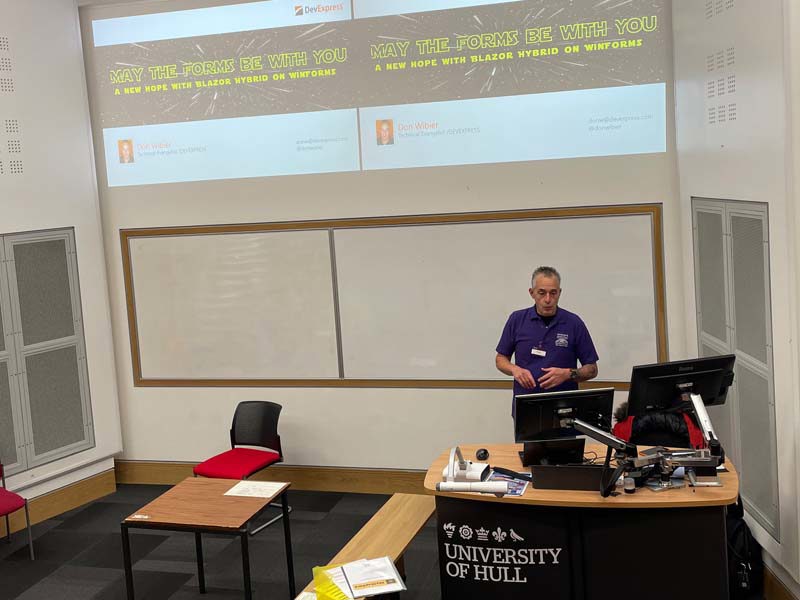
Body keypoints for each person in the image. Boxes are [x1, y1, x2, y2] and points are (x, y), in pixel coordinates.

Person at [495, 266, 599, 416]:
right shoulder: (517, 320)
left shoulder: (574, 323)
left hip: (565, 409)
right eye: (542, 293)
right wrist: (515, 370)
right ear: (532, 293)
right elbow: (500, 359)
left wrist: (568, 374)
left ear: (560, 293)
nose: (548, 299)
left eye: (553, 293)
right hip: (527, 407)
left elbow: (592, 369)